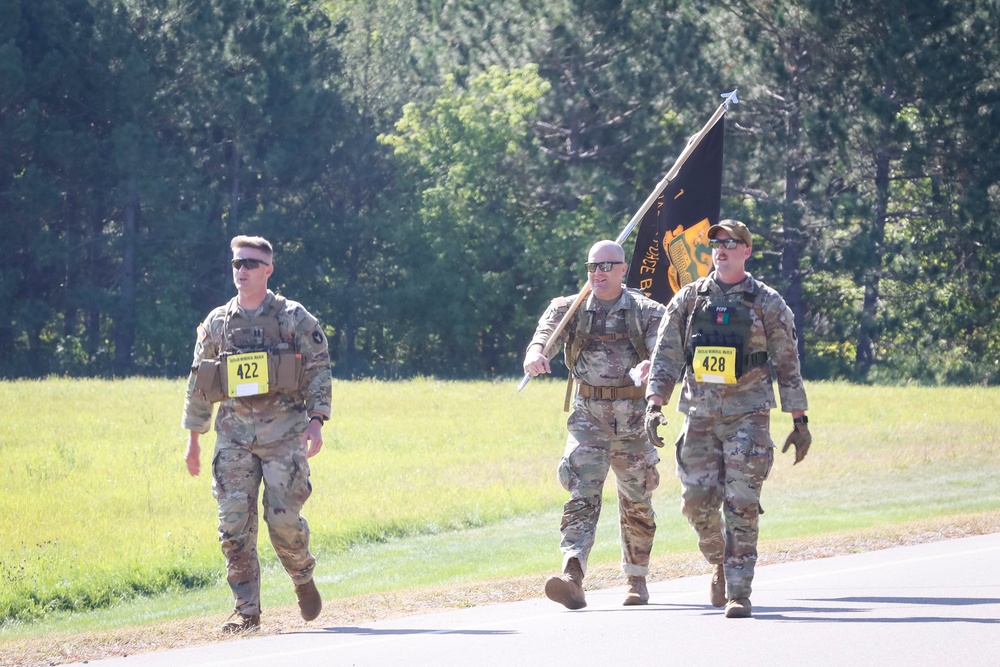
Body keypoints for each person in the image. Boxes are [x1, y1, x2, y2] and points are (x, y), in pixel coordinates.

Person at [644, 219, 811, 619]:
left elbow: (787, 361)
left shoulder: (767, 302)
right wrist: (654, 403)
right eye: (715, 242)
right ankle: (719, 561)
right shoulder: (689, 298)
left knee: (742, 504)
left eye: (730, 242)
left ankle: (739, 591)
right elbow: (666, 354)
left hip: (748, 417)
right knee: (696, 504)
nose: (720, 248)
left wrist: (799, 420)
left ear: (746, 251)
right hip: (698, 415)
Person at [181, 235, 333, 633]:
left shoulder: (293, 317)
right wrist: (194, 440)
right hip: (233, 438)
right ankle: (246, 611)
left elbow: (318, 367)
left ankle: (302, 578)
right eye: (236, 263)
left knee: (282, 522)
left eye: (250, 263)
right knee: (233, 527)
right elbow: (200, 382)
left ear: (268, 268)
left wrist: (317, 419)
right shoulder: (217, 322)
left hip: (284, 435)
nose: (242, 270)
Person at [523, 240, 665, 609]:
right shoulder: (568, 309)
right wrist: (535, 356)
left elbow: (665, 351)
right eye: (592, 267)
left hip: (633, 420)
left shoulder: (647, 311)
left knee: (637, 501)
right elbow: (543, 339)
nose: (598, 274)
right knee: (581, 494)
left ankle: (636, 579)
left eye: (606, 266)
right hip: (588, 417)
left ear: (623, 270)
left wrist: (654, 368)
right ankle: (572, 574)